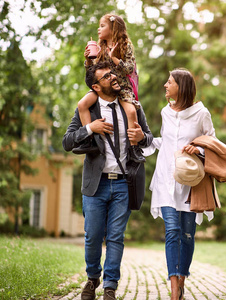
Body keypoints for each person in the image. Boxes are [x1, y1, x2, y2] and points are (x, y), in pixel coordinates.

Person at [62, 61, 153, 300]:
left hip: (124, 183)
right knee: (92, 235)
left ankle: (110, 286)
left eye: (112, 73)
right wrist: (90, 128)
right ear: (96, 86)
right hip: (96, 184)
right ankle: (93, 278)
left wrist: (142, 136)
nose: (113, 77)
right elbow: (67, 142)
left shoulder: (131, 106)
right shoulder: (88, 112)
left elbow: (149, 138)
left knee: (115, 237)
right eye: (106, 76)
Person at [145, 68, 215, 300]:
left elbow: (212, 142)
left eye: (170, 82)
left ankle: (182, 279)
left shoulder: (200, 113)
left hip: (190, 182)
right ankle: (174, 291)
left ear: (181, 87)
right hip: (166, 178)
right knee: (172, 231)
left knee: (187, 234)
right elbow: (165, 140)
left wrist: (199, 148)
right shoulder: (166, 112)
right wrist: (144, 141)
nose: (165, 85)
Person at [73, 13, 145, 163]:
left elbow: (129, 69)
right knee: (82, 104)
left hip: (122, 87)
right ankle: (89, 141)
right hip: (104, 88)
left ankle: (134, 149)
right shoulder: (100, 47)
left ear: (113, 28)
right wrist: (88, 61)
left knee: (131, 111)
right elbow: (93, 76)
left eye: (102, 26)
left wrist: (114, 59)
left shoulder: (126, 46)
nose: (98, 29)